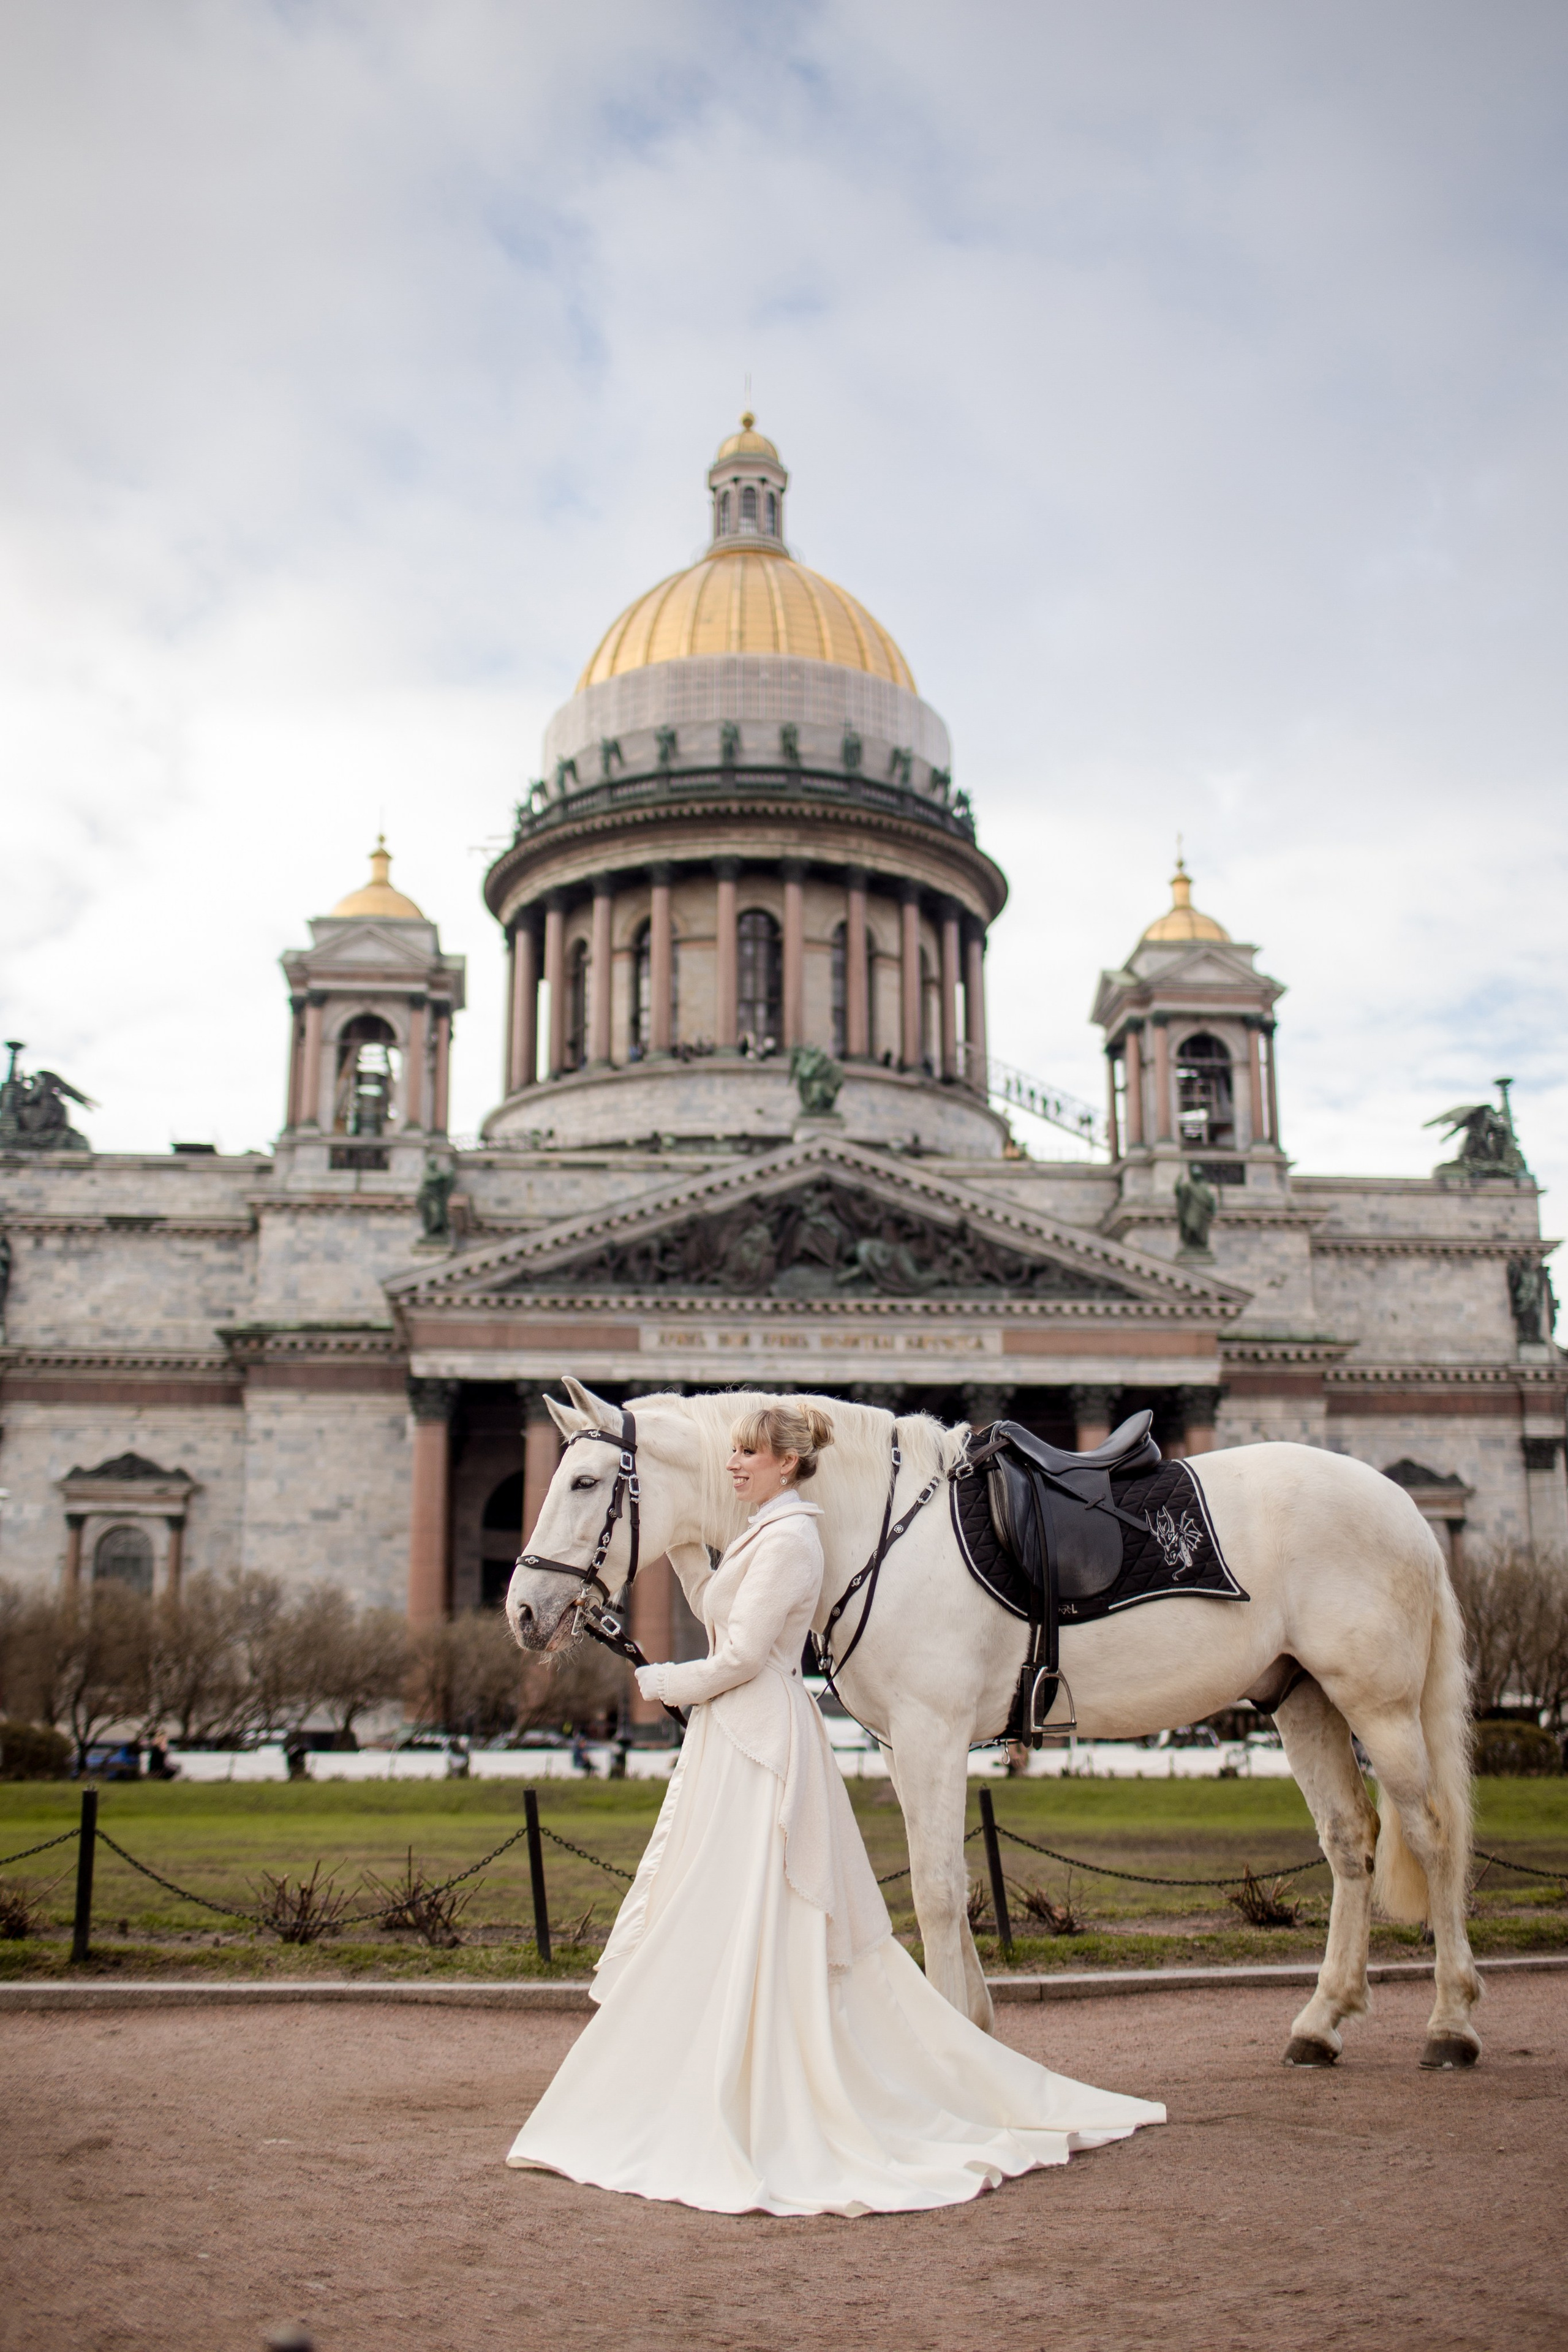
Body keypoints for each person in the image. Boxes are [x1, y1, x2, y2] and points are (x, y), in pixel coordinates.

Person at [506, 1400, 1163, 2216]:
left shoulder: (793, 1537)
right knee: (733, 1905)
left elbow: (743, 1653)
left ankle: (796, 2078)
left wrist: (663, 1681)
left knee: (769, 1906)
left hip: (763, 1731)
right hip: (737, 1736)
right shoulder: (760, 1533)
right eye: (733, 1454)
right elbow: (719, 1606)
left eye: (746, 1455)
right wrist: (678, 1541)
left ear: (786, 1464)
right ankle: (738, 2074)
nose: (732, 1466)